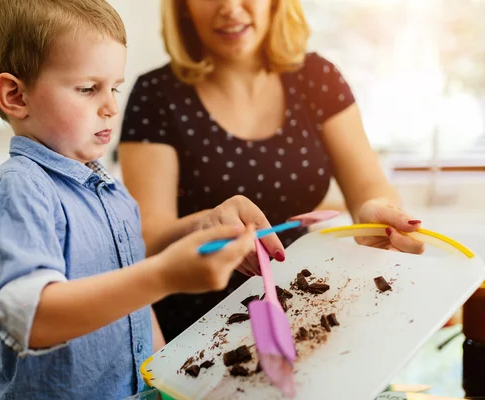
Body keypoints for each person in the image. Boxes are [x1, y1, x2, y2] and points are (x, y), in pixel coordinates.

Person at [0, 0, 259, 398]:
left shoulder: (112, 191)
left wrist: (204, 224)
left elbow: (136, 305)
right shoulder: (21, 188)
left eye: (114, 88)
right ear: (15, 96)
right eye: (88, 89)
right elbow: (32, 318)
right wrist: (164, 276)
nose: (110, 107)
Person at [118, 0, 425, 343]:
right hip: (195, 334)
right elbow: (147, 242)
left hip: (302, 308)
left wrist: (374, 213)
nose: (231, 9)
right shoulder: (155, 96)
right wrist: (208, 224)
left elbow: (369, 185)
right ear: (183, 6)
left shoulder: (318, 78)